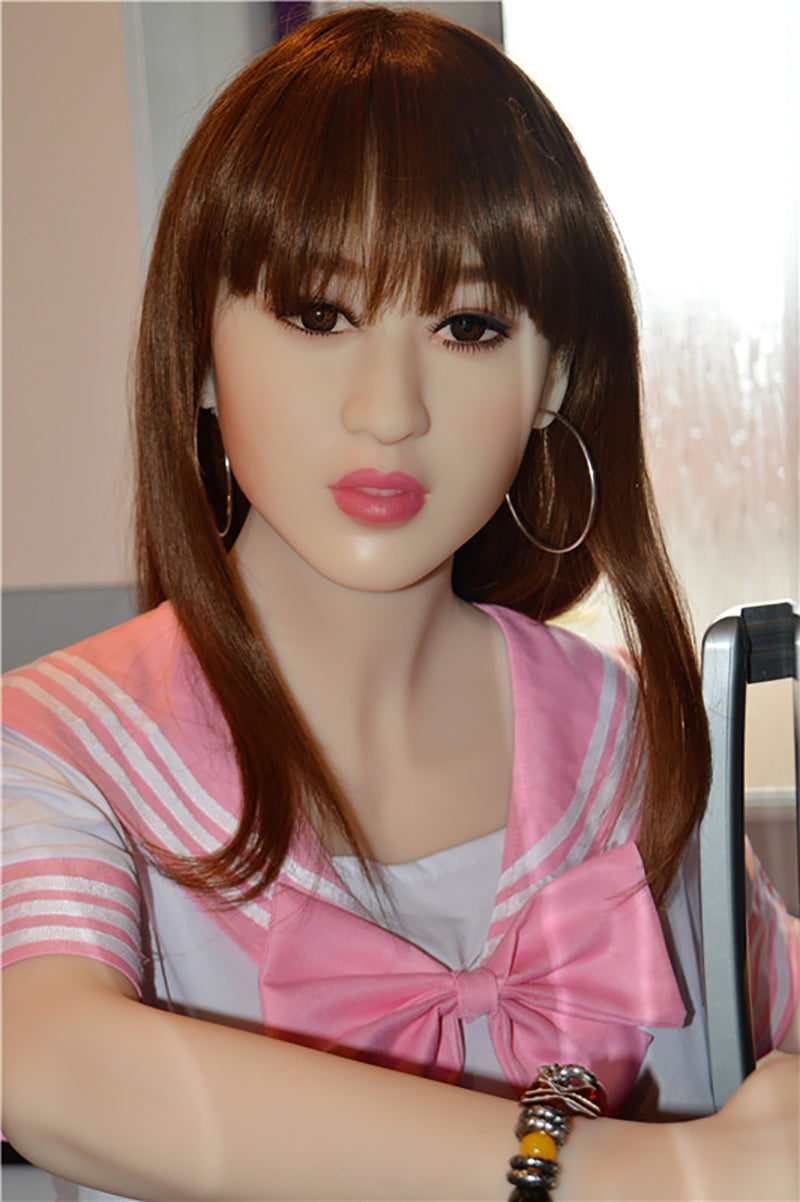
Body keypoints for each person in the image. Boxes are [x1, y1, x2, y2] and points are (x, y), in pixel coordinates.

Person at [2, 6, 797, 1200]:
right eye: (317, 315)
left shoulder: (627, 736)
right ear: (199, 354)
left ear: (552, 377)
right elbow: (52, 1064)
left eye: (467, 325)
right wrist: (645, 1171)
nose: (388, 410)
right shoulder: (62, 751)